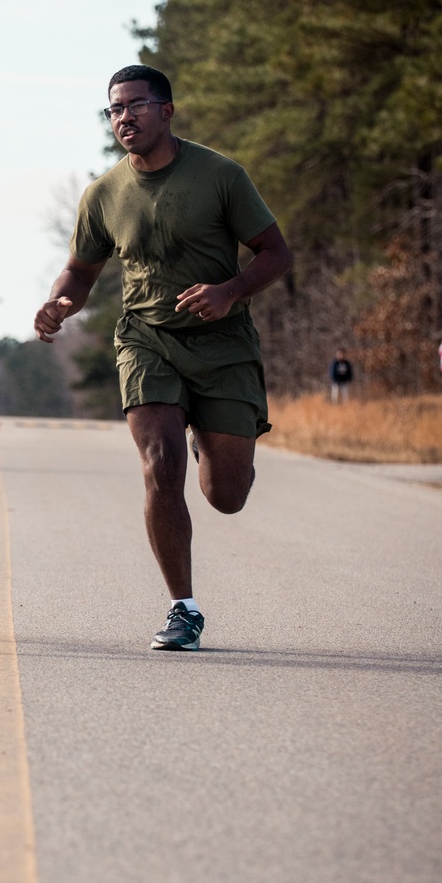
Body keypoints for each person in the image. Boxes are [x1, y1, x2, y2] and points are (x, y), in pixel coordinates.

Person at [34, 64, 292, 652]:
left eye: (136, 106)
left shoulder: (220, 175)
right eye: (114, 109)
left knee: (227, 496)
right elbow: (81, 269)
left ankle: (212, 436)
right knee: (158, 460)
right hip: (146, 339)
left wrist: (229, 292)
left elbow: (275, 253)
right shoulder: (103, 194)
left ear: (167, 111)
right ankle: (184, 608)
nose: (124, 117)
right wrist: (59, 303)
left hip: (222, 343)